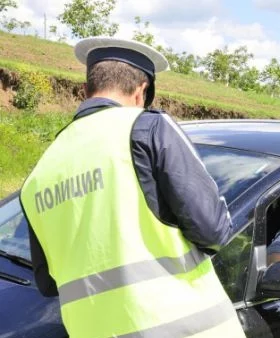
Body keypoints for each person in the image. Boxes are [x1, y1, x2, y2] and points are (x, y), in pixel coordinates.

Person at [19, 37, 245, 337]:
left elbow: (48, 282)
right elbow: (214, 231)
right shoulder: (149, 128)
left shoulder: (41, 170)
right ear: (141, 92)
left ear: (85, 91)